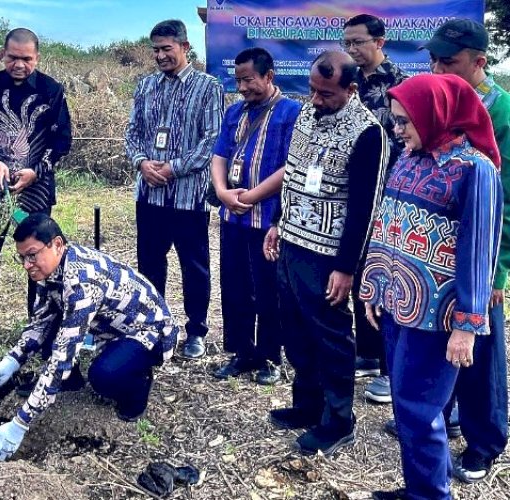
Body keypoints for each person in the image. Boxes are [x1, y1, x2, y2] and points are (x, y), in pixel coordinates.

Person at [360, 73, 502, 500]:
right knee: (406, 407)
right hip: (398, 304)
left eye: (405, 121)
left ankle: (431, 495)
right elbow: (387, 224)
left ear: (434, 114)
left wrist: (467, 324)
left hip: (437, 317)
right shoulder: (409, 156)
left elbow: (480, 251)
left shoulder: (474, 170)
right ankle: (419, 487)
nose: (398, 129)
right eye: (397, 120)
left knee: (421, 411)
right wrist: (375, 285)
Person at [263, 51, 389, 456]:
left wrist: (346, 268)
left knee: (330, 337)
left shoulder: (369, 133)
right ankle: (307, 405)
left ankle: (338, 420)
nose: (316, 100)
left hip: (329, 255)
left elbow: (366, 208)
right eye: (313, 90)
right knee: (294, 329)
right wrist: (277, 223)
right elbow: (295, 172)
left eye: (326, 94)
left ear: (351, 90)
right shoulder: (306, 112)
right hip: (292, 241)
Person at [0, 214, 178, 462]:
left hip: (150, 332)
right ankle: (70, 382)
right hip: (111, 328)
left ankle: (138, 386)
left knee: (104, 376)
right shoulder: (49, 271)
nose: (26, 265)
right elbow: (41, 322)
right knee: (55, 329)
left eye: (32, 255)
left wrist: (20, 423)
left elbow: (62, 356)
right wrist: (11, 361)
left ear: (57, 244)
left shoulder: (82, 282)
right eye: (22, 257)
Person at [415, 18, 509, 484]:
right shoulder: (441, 104)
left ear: (479, 62)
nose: (437, 68)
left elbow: (506, 202)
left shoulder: (503, 111)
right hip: (436, 251)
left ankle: (485, 440)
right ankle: (435, 417)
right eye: (432, 59)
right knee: (440, 343)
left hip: (481, 256)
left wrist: (498, 272)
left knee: (481, 348)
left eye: (448, 61)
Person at [0, 28, 72, 373]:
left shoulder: (52, 91)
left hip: (35, 189)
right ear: (1, 54)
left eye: (26, 58)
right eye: (12, 57)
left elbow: (61, 142)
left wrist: (37, 170)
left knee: (38, 261)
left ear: (37, 58)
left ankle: (40, 333)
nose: (19, 64)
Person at [125, 19, 223, 359]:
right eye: (156, 50)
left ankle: (195, 330)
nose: (161, 55)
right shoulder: (146, 85)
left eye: (168, 48)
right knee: (150, 263)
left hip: (188, 196)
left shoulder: (208, 86)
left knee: (194, 266)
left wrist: (173, 167)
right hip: (149, 194)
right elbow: (133, 131)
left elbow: (212, 138)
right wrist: (141, 163)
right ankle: (155, 325)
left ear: (185, 47)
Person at [210, 47, 300, 384]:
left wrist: (251, 196)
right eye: (238, 81)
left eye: (249, 80)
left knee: (269, 289)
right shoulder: (234, 112)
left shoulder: (292, 113)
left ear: (269, 76)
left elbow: (291, 166)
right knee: (234, 286)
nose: (243, 87)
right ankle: (242, 351)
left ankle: (270, 357)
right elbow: (220, 154)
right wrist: (221, 192)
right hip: (232, 217)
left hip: (267, 220)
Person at [342, 13, 408, 404]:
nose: (352, 50)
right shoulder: (347, 83)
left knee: (384, 281)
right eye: (347, 43)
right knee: (358, 273)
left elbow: (404, 143)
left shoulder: (400, 85)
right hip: (350, 198)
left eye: (359, 42)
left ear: (380, 41)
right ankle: (366, 353)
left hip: (386, 200)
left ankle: (388, 367)